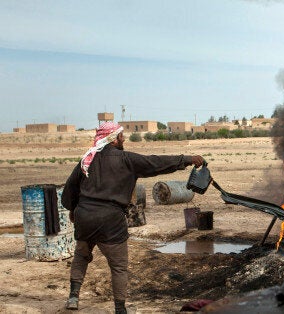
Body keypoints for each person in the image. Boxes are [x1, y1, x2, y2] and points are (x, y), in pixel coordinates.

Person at [61, 122, 205, 314]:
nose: (124, 138)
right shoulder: (127, 160)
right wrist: (186, 159)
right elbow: (156, 163)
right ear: (114, 139)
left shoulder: (87, 159)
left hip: (85, 217)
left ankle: (73, 297)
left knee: (81, 255)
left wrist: (73, 209)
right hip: (111, 220)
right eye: (121, 135)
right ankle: (120, 309)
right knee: (119, 267)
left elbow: (70, 188)